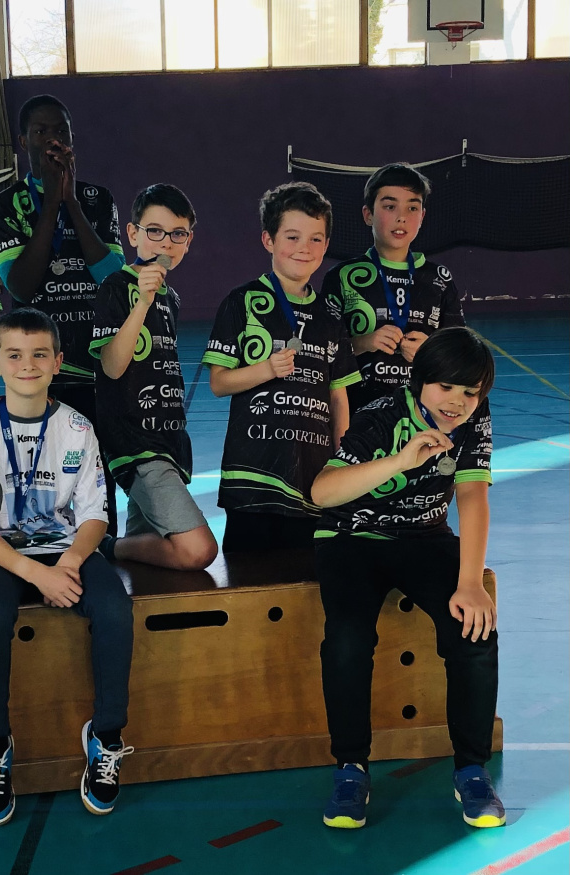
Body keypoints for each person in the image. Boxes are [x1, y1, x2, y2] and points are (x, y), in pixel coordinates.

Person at [311, 327, 503, 830]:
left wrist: (470, 583)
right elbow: (322, 492)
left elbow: (473, 496)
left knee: (474, 630)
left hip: (423, 537)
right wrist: (399, 461)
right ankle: (351, 768)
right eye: (446, 387)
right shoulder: (380, 415)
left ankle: (472, 770)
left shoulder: (475, 418)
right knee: (347, 639)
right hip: (352, 537)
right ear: (420, 382)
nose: (457, 402)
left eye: (470, 392)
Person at [0, 309, 134, 824]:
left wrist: (70, 562)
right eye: (14, 355)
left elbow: (95, 515)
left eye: (39, 355)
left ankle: (107, 735)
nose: (27, 365)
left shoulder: (77, 427)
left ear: (58, 362)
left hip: (63, 548)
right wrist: (39, 576)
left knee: (115, 609)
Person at [0, 94, 125, 530]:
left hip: (94, 367)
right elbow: (21, 286)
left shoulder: (97, 199)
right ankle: (38, 547)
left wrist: (71, 203)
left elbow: (112, 278)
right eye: (40, 131)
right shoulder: (5, 206)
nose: (52, 139)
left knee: (95, 477)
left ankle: (99, 547)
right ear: (23, 142)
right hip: (38, 371)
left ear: (72, 139)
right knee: (38, 472)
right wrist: (49, 204)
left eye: (60, 130)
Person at [203, 182, 361, 553]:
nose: (304, 248)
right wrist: (267, 369)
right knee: (248, 579)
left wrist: (343, 459)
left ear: (326, 245)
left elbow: (338, 396)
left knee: (306, 580)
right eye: (292, 237)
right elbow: (219, 383)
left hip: (313, 480)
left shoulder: (330, 317)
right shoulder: (242, 302)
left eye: (316, 239)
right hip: (252, 481)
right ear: (268, 240)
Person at [90, 184, 217, 571]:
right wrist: (142, 303)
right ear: (133, 234)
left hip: (168, 441)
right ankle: (108, 548)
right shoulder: (115, 287)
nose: (166, 242)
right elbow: (112, 366)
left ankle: (124, 562)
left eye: (177, 233)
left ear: (188, 241)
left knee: (152, 561)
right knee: (198, 550)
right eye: (155, 231)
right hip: (136, 444)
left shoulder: (171, 298)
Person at [321, 163, 465, 413]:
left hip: (422, 417)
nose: (402, 217)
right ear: (368, 214)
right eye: (390, 206)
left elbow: (462, 355)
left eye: (412, 208)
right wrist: (363, 342)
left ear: (422, 216)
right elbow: (321, 353)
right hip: (358, 415)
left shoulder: (439, 279)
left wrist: (430, 352)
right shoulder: (341, 277)